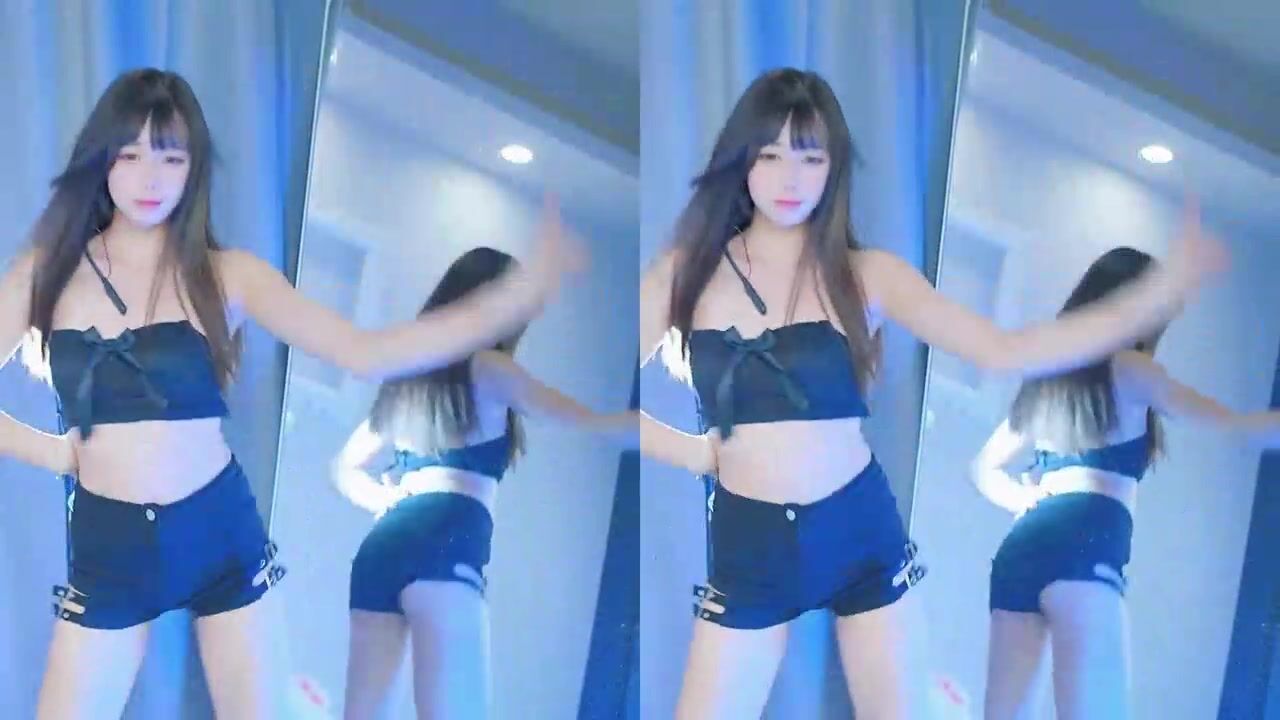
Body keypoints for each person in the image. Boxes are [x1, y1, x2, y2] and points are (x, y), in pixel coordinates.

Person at [637, 67, 1225, 719]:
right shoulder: (687, 275)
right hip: (750, 543)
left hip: (857, 530)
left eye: (810, 157)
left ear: (834, 167)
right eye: (769, 155)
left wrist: (1149, 298)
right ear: (741, 160)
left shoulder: (867, 275)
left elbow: (1003, 349)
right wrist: (693, 452)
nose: (790, 178)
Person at [0, 68, 572, 719]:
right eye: (129, 155)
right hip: (111, 544)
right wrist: (56, 453)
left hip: (218, 530)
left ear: (194, 167)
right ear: (101, 158)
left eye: (171, 157)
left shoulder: (228, 275)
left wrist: (504, 304)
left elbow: (364, 351)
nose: (150, 178)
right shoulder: (48, 273)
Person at [972, 246, 1280, 720]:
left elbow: (983, 468)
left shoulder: (1050, 374)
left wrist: (1026, 499)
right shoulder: (1130, 367)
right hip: (1085, 548)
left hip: (1021, 549)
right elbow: (1226, 424)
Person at [332, 246, 637, 720]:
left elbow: (345, 467)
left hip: (382, 548)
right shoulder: (488, 367)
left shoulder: (408, 376)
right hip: (446, 543)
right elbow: (574, 417)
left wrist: (387, 500)